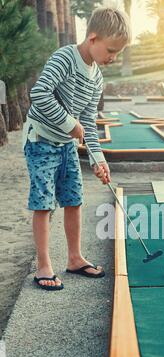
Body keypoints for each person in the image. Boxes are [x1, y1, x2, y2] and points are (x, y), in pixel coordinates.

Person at [23, 7, 131, 291]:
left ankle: (74, 258)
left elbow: (88, 123)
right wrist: (70, 124)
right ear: (93, 38)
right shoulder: (65, 58)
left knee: (74, 198)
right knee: (44, 201)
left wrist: (98, 159)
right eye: (110, 50)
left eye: (117, 53)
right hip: (41, 139)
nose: (113, 57)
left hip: (66, 144)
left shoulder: (97, 78)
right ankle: (44, 264)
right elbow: (38, 93)